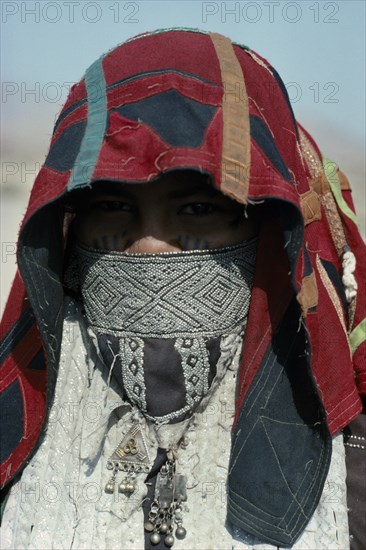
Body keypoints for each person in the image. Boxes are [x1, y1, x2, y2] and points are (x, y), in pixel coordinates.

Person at [0, 29, 365, 549]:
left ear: (268, 234)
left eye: (198, 210)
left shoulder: (352, 456)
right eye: (112, 207)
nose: (149, 246)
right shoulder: (19, 430)